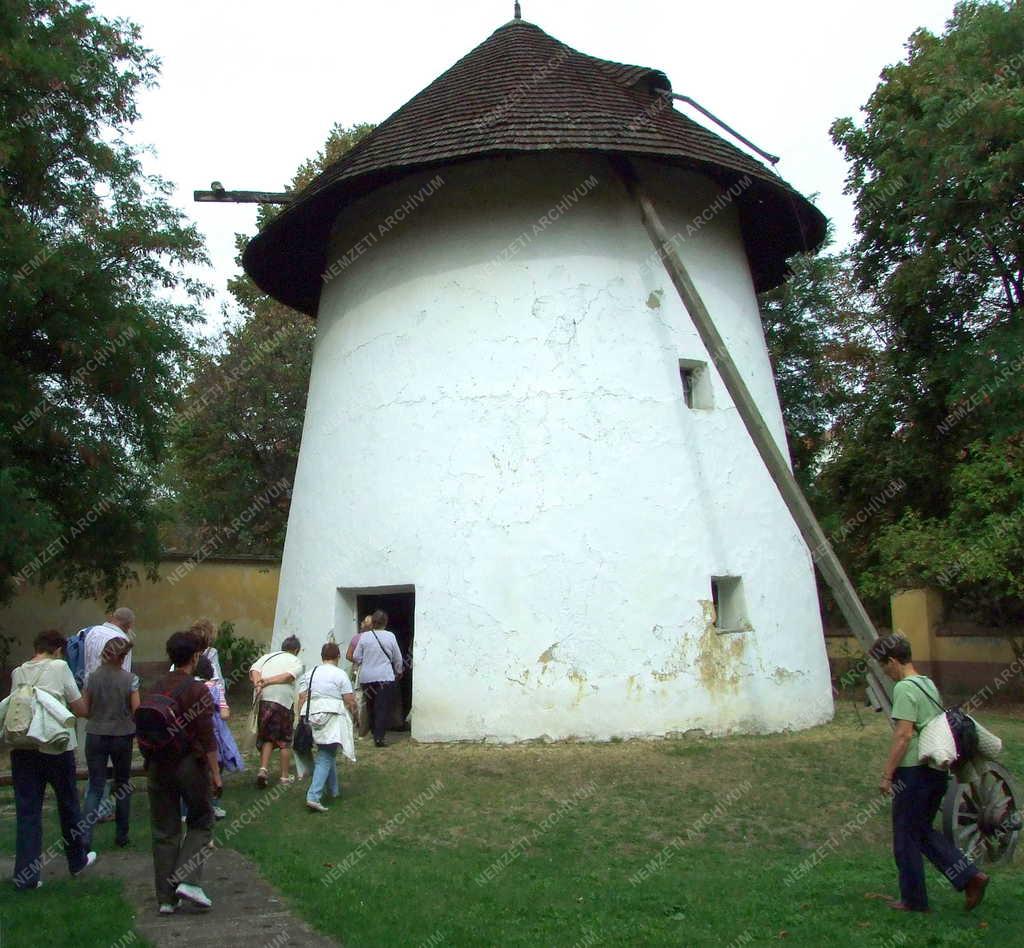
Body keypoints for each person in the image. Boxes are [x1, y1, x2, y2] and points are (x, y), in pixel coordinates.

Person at [869, 634, 989, 913]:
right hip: (935, 771)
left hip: (913, 771)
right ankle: (969, 878)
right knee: (920, 831)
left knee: (905, 836)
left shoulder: (904, 689)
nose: (885, 672)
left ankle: (915, 900)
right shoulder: (928, 684)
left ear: (894, 661)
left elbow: (904, 735)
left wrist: (887, 775)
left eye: (884, 665)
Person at [8, 630, 96, 889]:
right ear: (58, 649)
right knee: (68, 804)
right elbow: (79, 709)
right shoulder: (60, 667)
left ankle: (26, 876)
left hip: (24, 747)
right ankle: (77, 861)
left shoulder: (18, 672)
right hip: (56, 746)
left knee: (28, 811)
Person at [145, 631, 221, 914]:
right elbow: (207, 736)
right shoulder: (198, 690)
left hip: (157, 763)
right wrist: (216, 773)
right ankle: (188, 879)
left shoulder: (154, 686)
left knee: (165, 830)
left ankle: (165, 898)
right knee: (202, 819)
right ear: (195, 656)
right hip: (189, 763)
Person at [82, 635, 140, 849]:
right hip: (122, 734)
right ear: (122, 657)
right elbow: (137, 710)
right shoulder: (130, 679)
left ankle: (85, 838)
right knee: (123, 784)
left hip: (95, 733)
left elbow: (85, 709)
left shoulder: (91, 677)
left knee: (95, 786)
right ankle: (122, 835)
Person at [297, 642, 358, 812]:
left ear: (322, 657)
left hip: (310, 715)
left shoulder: (310, 674)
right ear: (338, 657)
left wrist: (299, 718)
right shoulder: (340, 674)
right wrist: (356, 715)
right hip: (331, 715)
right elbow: (349, 700)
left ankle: (334, 790)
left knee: (327, 751)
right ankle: (313, 796)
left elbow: (302, 697)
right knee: (326, 753)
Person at [249, 636, 304, 787]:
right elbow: (288, 676)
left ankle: (263, 770)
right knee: (284, 741)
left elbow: (254, 669)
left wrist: (259, 684)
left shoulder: (267, 657)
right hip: (283, 703)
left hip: (264, 700)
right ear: (297, 650)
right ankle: (284, 777)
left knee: (267, 736)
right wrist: (266, 681)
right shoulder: (296, 661)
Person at [196, 655, 243, 816]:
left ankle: (186, 809)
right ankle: (213, 805)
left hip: (192, 734)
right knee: (215, 768)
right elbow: (224, 713)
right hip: (213, 733)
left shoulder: (187, 686)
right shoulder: (215, 687)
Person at [353, 610, 403, 747]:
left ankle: (374, 731)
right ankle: (379, 737)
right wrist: (399, 670)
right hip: (384, 676)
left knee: (370, 706)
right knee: (382, 706)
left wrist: (366, 660)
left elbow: (356, 656)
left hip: (367, 677)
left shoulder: (364, 637)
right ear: (385, 622)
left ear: (373, 623)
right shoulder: (390, 636)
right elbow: (397, 657)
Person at [346, 616, 373, 737]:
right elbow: (349, 655)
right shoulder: (375, 638)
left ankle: (360, 726)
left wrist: (359, 662)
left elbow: (349, 655)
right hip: (369, 671)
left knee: (359, 698)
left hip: (360, 671)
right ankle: (364, 726)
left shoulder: (357, 637)